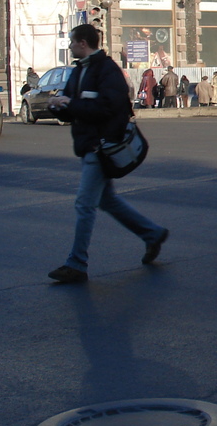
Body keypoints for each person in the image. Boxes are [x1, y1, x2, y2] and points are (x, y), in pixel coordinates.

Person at [46, 24, 168, 284]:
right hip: (88, 145)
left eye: (72, 42)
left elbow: (108, 108)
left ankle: (76, 264)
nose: (69, 46)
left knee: (84, 204)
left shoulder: (106, 70)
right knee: (107, 201)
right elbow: (72, 108)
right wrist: (58, 106)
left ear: (82, 43)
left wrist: (72, 104)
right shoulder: (79, 70)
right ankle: (152, 234)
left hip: (100, 147)